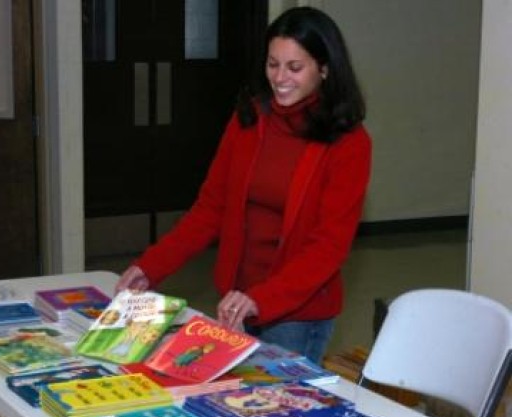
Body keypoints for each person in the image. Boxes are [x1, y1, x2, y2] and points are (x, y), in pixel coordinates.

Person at [115, 6, 371, 364]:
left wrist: (263, 298)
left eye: (294, 67)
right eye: (272, 64)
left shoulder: (349, 142)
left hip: (296, 313)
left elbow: (328, 247)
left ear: (325, 69)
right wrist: (150, 267)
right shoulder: (250, 119)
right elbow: (210, 209)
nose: (280, 77)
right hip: (236, 301)